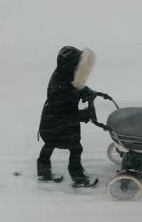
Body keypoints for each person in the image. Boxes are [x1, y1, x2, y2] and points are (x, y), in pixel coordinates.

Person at [37, 45, 100, 187]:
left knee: (49, 144)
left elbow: (74, 84)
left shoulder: (61, 75)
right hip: (58, 124)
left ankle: (43, 172)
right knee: (76, 148)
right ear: (72, 66)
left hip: (50, 121)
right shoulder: (63, 90)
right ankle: (78, 178)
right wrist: (84, 115)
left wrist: (86, 91)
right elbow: (66, 115)